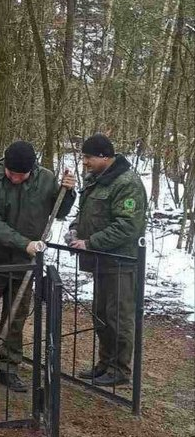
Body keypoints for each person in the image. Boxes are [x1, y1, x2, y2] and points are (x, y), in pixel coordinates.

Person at [0, 141, 76, 391]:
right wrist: (25, 244)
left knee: (16, 316)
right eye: (11, 173)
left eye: (20, 175)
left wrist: (67, 192)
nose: (14, 178)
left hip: (25, 262)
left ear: (32, 169)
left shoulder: (45, 179)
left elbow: (59, 212)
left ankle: (8, 366)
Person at [67, 134, 147, 387]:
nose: (84, 162)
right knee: (102, 315)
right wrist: (74, 230)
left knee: (118, 317)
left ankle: (120, 369)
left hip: (120, 262)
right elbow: (86, 213)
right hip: (101, 261)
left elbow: (127, 226)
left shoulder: (127, 183)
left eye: (88, 157)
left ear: (104, 156)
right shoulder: (96, 179)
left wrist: (91, 243)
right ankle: (105, 363)